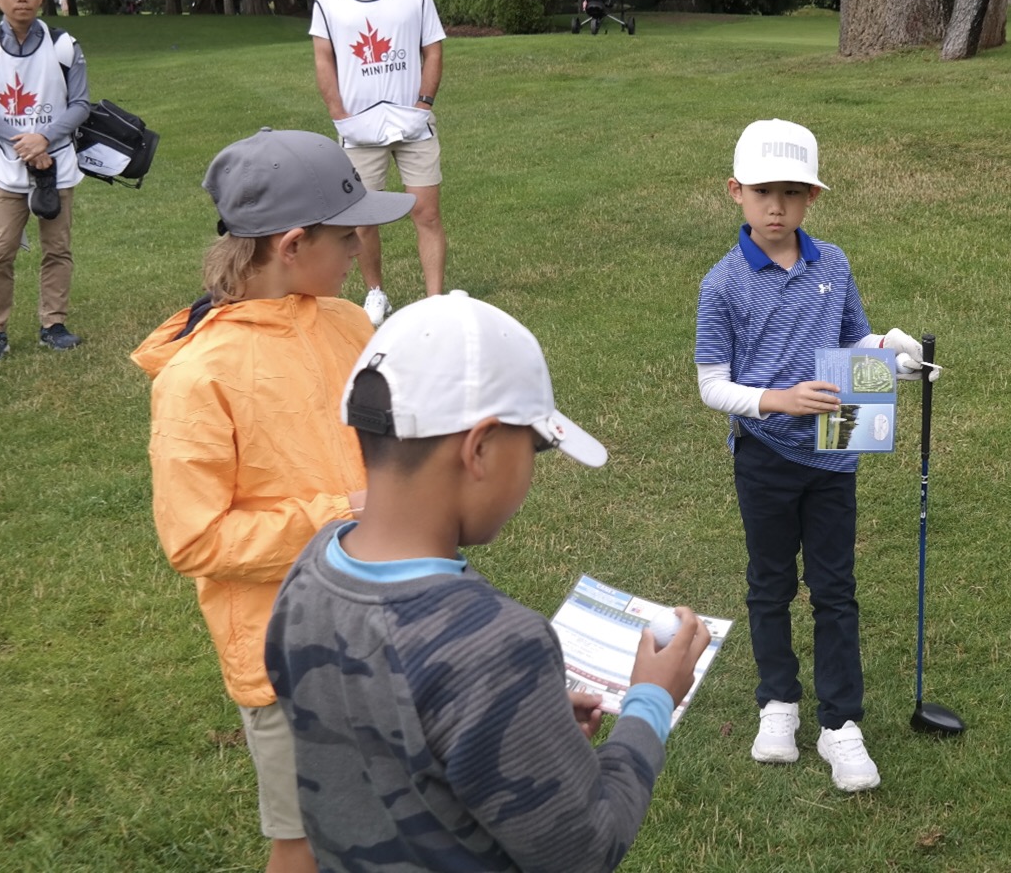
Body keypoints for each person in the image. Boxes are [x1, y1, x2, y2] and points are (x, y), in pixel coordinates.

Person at [264, 293, 710, 871]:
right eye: (535, 448)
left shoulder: (311, 570)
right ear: (480, 449)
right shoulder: (496, 645)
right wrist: (651, 700)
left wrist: (518, 719)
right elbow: (585, 849)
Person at [132, 129, 415, 873]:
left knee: (394, 811)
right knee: (307, 839)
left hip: (384, 618)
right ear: (292, 246)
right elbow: (196, 541)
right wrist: (345, 512)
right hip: (291, 657)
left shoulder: (348, 322)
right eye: (348, 238)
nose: (359, 251)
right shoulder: (198, 378)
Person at [693, 119, 927, 793]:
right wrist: (779, 401)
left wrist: (894, 355)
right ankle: (778, 703)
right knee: (770, 583)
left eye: (793, 193)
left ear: (812, 198)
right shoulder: (722, 284)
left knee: (834, 588)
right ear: (735, 192)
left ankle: (840, 723)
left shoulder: (835, 264)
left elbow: (855, 343)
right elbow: (712, 385)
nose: (777, 207)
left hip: (834, 455)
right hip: (765, 454)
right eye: (763, 192)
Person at [310, 0, 448, 326]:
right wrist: (339, 112)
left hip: (412, 122)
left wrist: (424, 103)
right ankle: (376, 293)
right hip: (359, 127)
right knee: (363, 218)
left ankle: (435, 301)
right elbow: (323, 58)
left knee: (426, 213)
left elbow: (433, 49)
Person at [0, 0, 90, 362]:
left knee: (58, 249)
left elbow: (81, 103)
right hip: (4, 166)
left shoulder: (64, 44)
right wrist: (24, 144)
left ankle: (54, 325)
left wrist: (44, 138)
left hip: (57, 162)